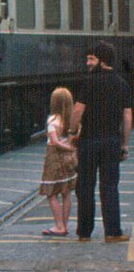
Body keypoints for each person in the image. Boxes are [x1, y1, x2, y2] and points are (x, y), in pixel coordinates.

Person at [69, 41, 132, 243]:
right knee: (110, 186)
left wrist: (72, 132)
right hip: (112, 140)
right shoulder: (122, 83)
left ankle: (84, 232)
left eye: (91, 59)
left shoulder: (89, 82)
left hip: (89, 141)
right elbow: (128, 117)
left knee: (85, 186)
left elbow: (78, 110)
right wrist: (124, 143)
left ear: (102, 61)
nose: (87, 63)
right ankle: (113, 231)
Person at [39, 87, 77, 236]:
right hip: (68, 161)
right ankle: (65, 225)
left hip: (54, 159)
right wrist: (72, 149)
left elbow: (54, 142)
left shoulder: (52, 120)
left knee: (51, 192)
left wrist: (66, 148)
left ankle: (59, 226)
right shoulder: (70, 120)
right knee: (66, 192)